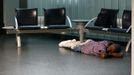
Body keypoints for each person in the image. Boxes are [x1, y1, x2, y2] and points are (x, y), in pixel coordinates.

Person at [59, 39, 123, 58]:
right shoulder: (103, 48)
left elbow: (121, 54)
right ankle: (71, 42)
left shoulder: (106, 42)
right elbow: (103, 56)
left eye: (111, 50)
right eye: (111, 47)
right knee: (64, 45)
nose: (109, 49)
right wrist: (112, 55)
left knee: (74, 45)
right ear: (111, 44)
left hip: (87, 44)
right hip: (84, 46)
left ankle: (73, 41)